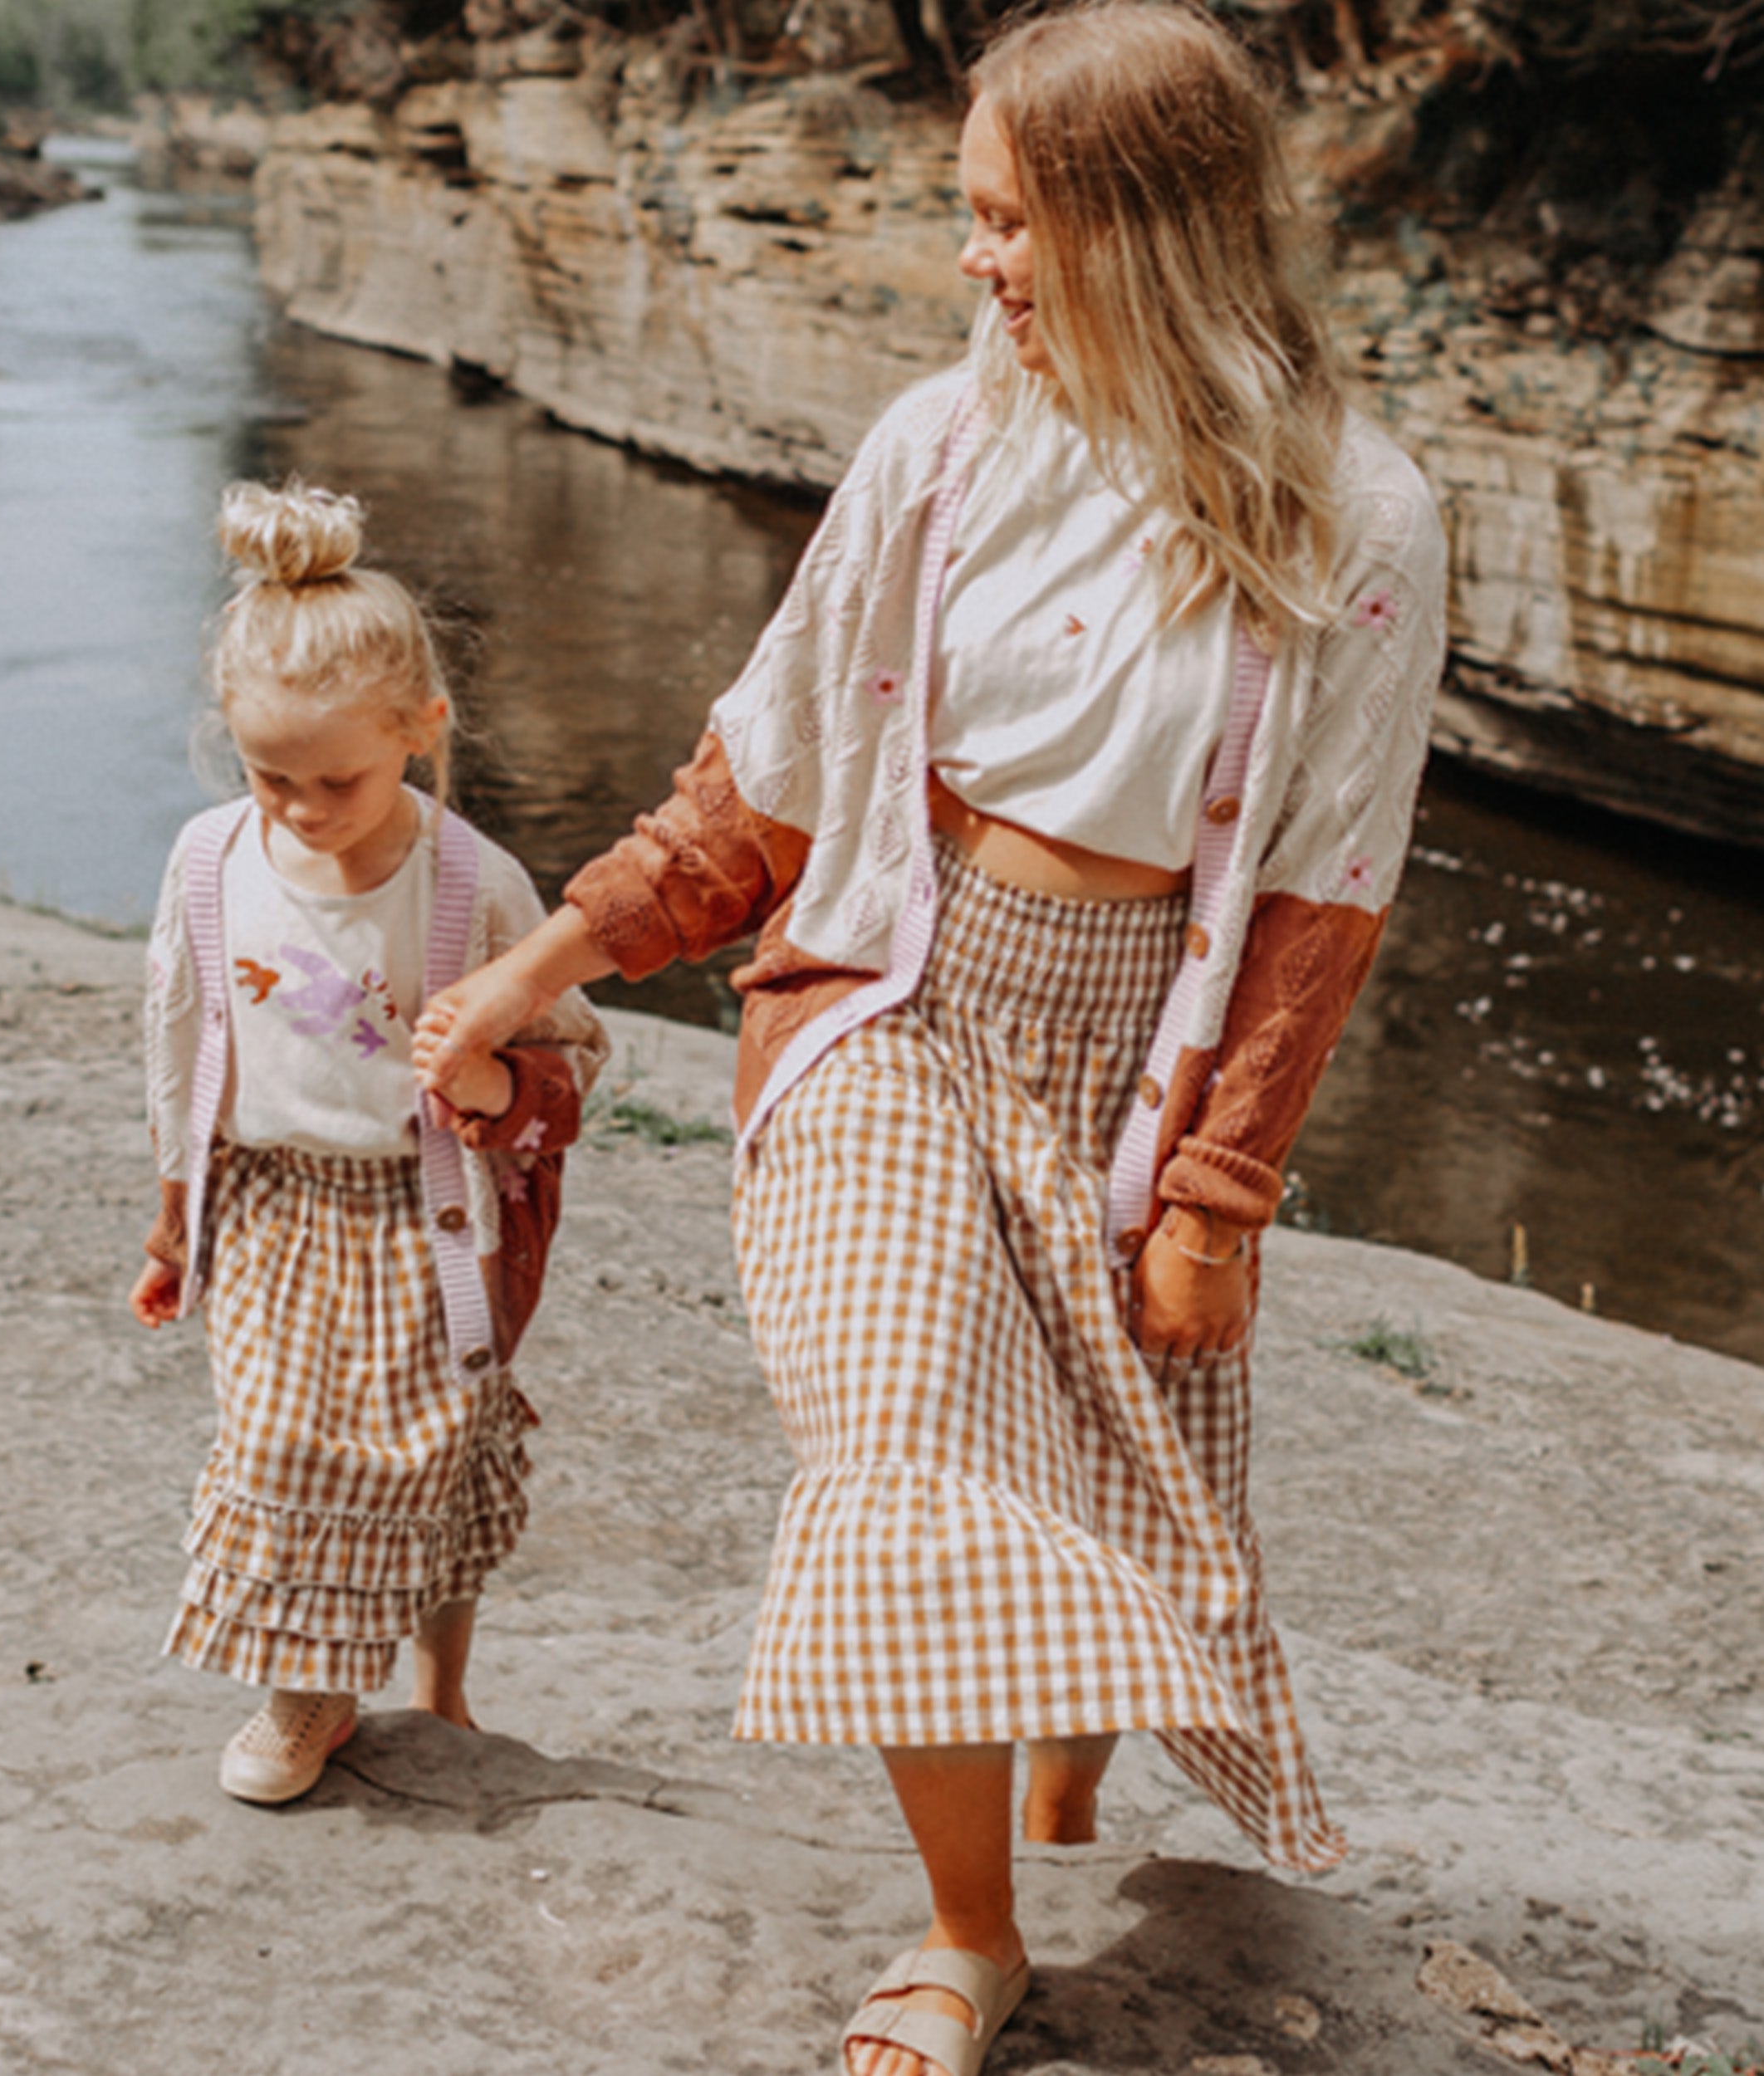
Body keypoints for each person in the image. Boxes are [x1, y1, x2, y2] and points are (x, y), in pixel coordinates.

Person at [417, 2, 1447, 2070]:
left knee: (1092, 1455)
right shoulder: (938, 442)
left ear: (1140, 230)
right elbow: (765, 785)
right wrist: (527, 974)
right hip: (890, 996)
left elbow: (1323, 896)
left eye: (1003, 220)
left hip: (1130, 1052)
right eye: (963, 215)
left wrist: (1216, 1197)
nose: (966, 261)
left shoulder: (1357, 512)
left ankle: (1056, 1801)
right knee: (898, 1439)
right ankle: (971, 1929)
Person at [130, 478, 606, 1807]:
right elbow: (179, 1030)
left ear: (420, 729)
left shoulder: (474, 881)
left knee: (430, 1452)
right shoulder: (211, 862)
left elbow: (571, 1057)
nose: (300, 807)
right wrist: (176, 1205)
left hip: (429, 1209)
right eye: (266, 776)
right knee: (282, 1451)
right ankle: (308, 1693)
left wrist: (501, 1082)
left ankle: (437, 1685)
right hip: (274, 1204)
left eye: (335, 778)